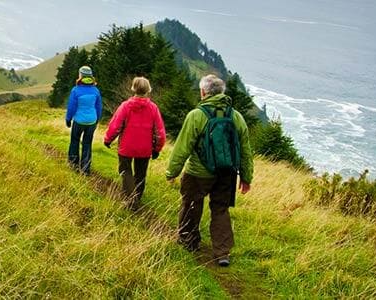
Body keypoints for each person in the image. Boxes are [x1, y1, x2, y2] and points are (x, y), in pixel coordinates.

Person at [165, 74, 254, 267]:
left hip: (198, 172)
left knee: (191, 205)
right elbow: (245, 150)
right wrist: (246, 177)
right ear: (222, 93)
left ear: (203, 92)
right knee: (220, 210)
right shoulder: (236, 116)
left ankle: (189, 242)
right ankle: (222, 253)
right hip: (227, 173)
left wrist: (172, 172)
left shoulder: (196, 115)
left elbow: (182, 147)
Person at [104, 77, 166, 212]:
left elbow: (116, 125)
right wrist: (157, 148)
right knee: (140, 174)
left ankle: (131, 200)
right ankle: (136, 199)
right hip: (145, 148)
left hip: (126, 147)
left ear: (133, 88)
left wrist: (108, 139)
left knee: (125, 171)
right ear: (148, 90)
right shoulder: (153, 108)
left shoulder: (125, 106)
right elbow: (160, 132)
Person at [65, 66, 102, 175]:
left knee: (74, 141)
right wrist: (97, 120)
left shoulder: (75, 90)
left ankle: (73, 165)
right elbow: (99, 107)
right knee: (87, 143)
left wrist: (68, 119)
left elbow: (71, 107)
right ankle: (85, 169)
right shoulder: (96, 90)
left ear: (80, 75)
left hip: (79, 121)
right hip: (91, 121)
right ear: (91, 77)